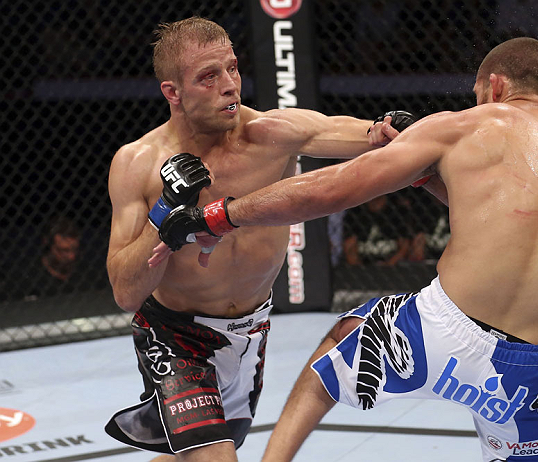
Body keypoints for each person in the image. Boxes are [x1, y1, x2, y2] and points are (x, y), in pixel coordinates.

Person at [149, 37, 538, 461]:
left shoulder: (468, 124)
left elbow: (335, 187)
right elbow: (524, 218)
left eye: (478, 95)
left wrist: (219, 215)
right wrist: (426, 175)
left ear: (494, 86)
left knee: (337, 347)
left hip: (445, 332)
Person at [103, 16, 410, 462]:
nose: (229, 85)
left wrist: (387, 130)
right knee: (216, 456)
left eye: (232, 68)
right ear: (173, 92)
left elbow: (362, 134)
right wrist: (163, 217)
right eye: (209, 77)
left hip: (249, 333)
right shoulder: (138, 164)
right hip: (175, 336)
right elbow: (125, 291)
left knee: (188, 454)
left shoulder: (272, 135)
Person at [14, 216, 83, 300]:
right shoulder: (28, 278)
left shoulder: (83, 272)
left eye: (74, 249)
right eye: (64, 250)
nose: (72, 256)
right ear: (48, 245)